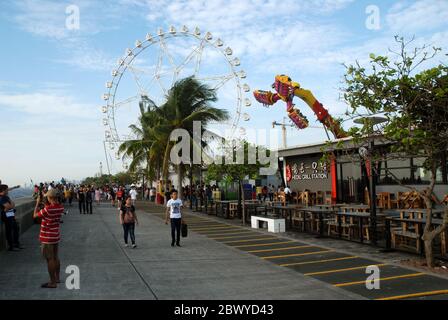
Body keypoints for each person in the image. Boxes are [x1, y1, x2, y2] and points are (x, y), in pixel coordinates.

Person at [33, 188, 64, 289]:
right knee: (55, 257)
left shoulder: (47, 209)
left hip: (47, 237)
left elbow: (35, 216)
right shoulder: (60, 207)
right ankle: (57, 278)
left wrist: (37, 203)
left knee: (49, 259)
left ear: (50, 197)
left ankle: (52, 282)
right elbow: (50, 207)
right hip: (55, 235)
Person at [0, 185, 22, 251]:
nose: (8, 190)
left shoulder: (5, 197)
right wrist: (11, 204)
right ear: (3, 190)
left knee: (16, 228)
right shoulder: (2, 198)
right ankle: (11, 246)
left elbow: (12, 205)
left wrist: (11, 204)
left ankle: (16, 244)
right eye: (6, 189)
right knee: (9, 231)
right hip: (7, 216)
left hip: (10, 215)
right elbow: (9, 206)